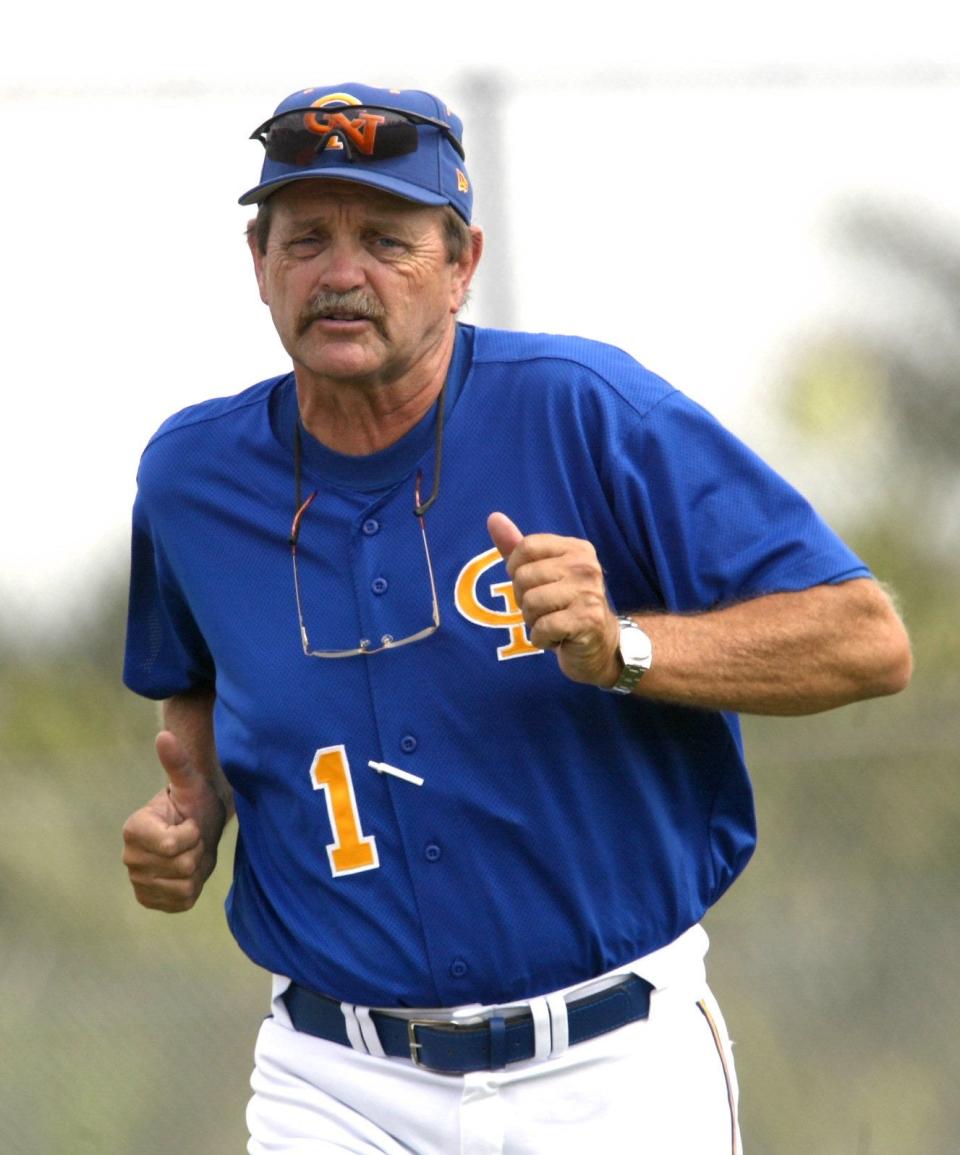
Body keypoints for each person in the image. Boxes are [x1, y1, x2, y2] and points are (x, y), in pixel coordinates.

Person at [121, 81, 912, 1155]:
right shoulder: (190, 480)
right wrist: (197, 818)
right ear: (259, 265)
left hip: (611, 1068)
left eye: (388, 240)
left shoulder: (585, 409)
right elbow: (201, 686)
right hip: (336, 1078)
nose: (341, 273)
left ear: (461, 266)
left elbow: (867, 637)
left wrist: (627, 647)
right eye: (306, 239)